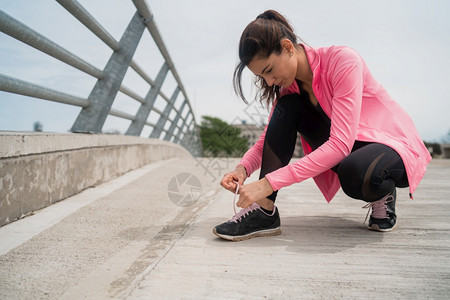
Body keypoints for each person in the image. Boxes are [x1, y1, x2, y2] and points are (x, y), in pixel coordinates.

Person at [213, 9, 431, 242]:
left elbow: (339, 146)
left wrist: (268, 183)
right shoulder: (290, 90)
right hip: (349, 148)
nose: (269, 82)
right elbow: (268, 138)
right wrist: (242, 169)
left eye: (269, 70)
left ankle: (384, 194)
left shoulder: (343, 61)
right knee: (288, 106)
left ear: (287, 48)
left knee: (356, 174)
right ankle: (264, 211)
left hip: (391, 145)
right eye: (262, 77)